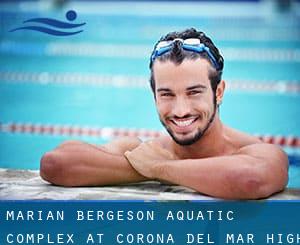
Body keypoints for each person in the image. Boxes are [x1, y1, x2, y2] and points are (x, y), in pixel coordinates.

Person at [40, 28, 288, 199]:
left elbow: (249, 180)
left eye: (194, 93)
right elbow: (56, 164)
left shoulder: (255, 151)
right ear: (154, 95)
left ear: (219, 91)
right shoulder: (142, 149)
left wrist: (161, 168)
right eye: (167, 94)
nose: (180, 111)